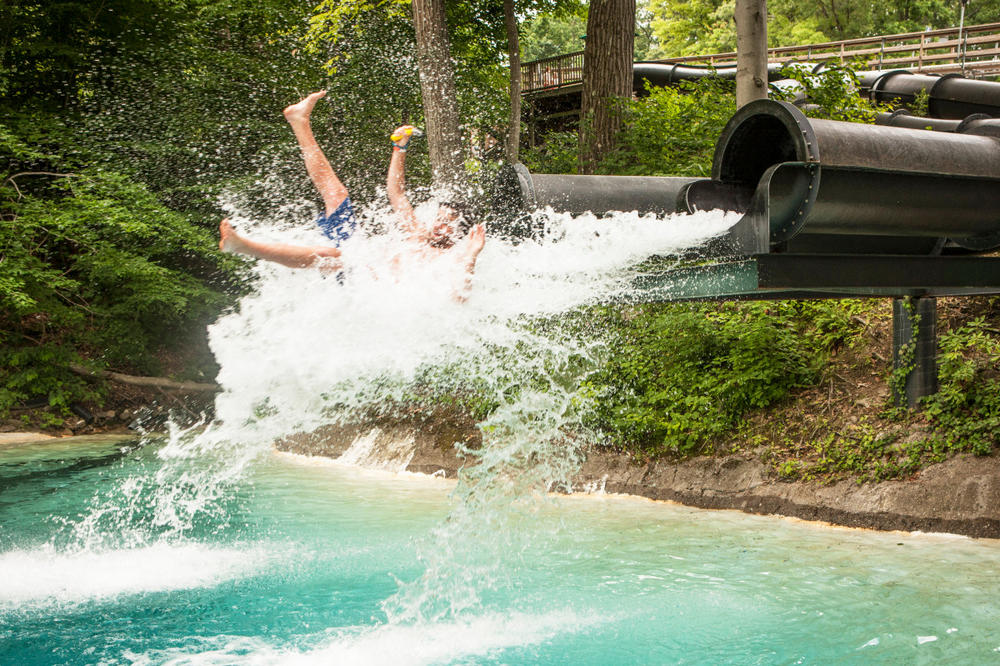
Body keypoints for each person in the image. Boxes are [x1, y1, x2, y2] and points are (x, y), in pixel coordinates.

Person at [219, 92, 486, 283]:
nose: (438, 225)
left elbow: (459, 297)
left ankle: (244, 246)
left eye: (447, 223)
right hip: (356, 258)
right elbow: (397, 193)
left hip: (358, 286)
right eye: (439, 219)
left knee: (333, 256)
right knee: (336, 194)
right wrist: (399, 148)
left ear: (460, 233)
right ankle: (299, 121)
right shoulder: (418, 234)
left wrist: (472, 256)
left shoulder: (449, 259)